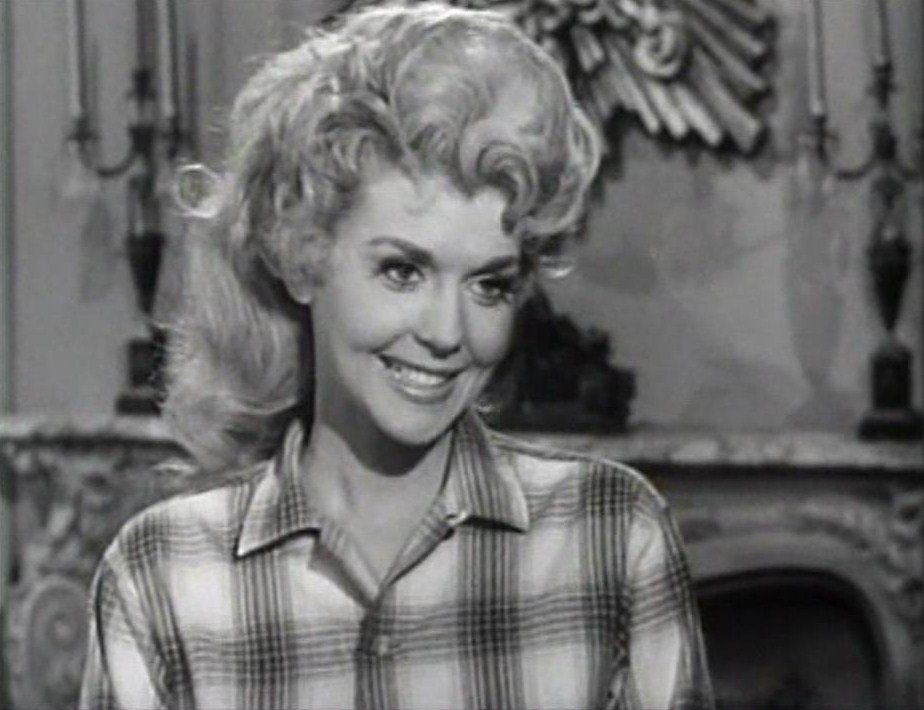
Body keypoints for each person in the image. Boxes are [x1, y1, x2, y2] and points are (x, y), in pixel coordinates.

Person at [79, 4, 713, 708]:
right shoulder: (162, 577)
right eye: (403, 271)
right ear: (299, 255)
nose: (448, 333)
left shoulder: (612, 537)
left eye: (489, 285)